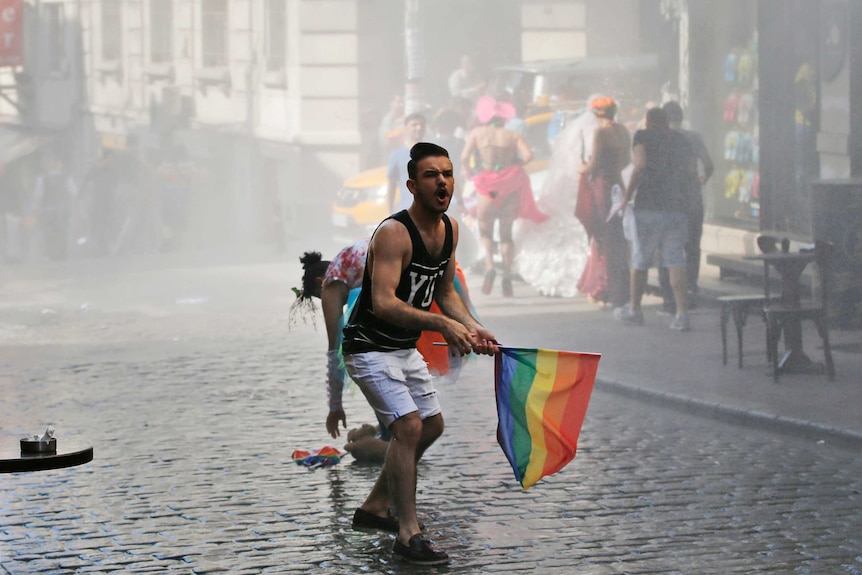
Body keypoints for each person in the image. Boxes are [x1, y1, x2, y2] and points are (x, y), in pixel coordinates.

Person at [342, 142, 498, 565]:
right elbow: (384, 302)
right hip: (369, 348)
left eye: (447, 173)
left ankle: (375, 507)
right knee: (409, 427)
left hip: (402, 348)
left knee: (431, 426)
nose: (442, 181)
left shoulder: (450, 229)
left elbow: (445, 293)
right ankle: (408, 535)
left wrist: (470, 324)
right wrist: (444, 326)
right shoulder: (393, 232)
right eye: (431, 175)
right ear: (412, 185)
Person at [614, 107, 696, 331]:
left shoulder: (642, 136)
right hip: (677, 207)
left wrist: (627, 196)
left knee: (641, 258)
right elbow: (691, 171)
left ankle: (635, 309)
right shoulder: (682, 140)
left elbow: (639, 165)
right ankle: (682, 314)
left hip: (649, 205)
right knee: (675, 259)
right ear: (667, 122)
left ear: (649, 121)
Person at [461, 95, 547, 297]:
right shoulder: (513, 135)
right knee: (506, 233)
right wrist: (514, 164)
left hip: (487, 188)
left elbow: (464, 157)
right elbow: (528, 156)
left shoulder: (477, 133)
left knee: (485, 230)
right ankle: (507, 273)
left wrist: (470, 173)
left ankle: (490, 264)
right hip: (508, 185)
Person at [657, 101, 714, 313]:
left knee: (667, 249)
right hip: (692, 200)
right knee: (692, 248)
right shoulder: (694, 137)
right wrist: (701, 180)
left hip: (669, 203)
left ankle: (669, 300)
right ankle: (690, 290)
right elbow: (709, 165)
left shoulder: (660, 139)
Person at [575, 97, 632, 308]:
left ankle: (603, 288)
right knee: (617, 237)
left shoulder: (601, 133)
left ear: (598, 114)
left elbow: (595, 161)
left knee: (602, 236)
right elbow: (626, 160)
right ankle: (621, 290)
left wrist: (582, 168)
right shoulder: (623, 131)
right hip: (617, 183)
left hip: (601, 186)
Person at [30, 151, 78, 261]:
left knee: (49, 234)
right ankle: (62, 255)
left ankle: (53, 256)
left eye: (45, 162)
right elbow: (74, 193)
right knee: (62, 233)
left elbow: (37, 195)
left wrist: (34, 209)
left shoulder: (42, 178)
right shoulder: (66, 177)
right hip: (63, 210)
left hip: (48, 211)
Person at [387, 112, 426, 214]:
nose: (418, 128)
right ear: (406, 128)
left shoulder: (433, 153)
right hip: (407, 211)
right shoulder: (397, 155)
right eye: (414, 125)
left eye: (421, 125)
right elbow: (391, 186)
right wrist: (389, 212)